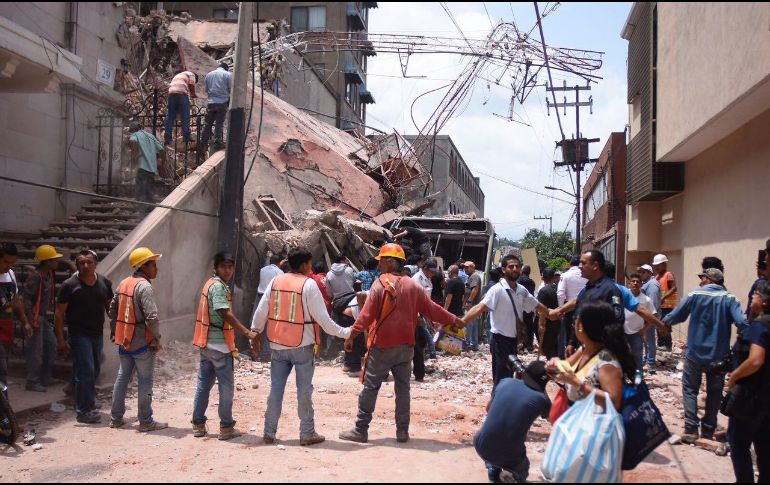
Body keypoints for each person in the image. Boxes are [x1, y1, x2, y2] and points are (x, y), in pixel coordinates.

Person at [338, 244, 463, 444]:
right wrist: (453, 319)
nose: (379, 264)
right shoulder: (413, 286)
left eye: (381, 260)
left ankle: (360, 429)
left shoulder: (380, 284)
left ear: (389, 261)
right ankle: (402, 431)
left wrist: (351, 335)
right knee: (403, 389)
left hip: (381, 346)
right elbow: (432, 309)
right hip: (406, 347)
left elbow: (366, 316)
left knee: (371, 387)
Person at [251, 247, 352, 446]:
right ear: (305, 264)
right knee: (304, 390)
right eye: (310, 264)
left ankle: (269, 432)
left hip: (277, 344)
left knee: (276, 389)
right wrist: (347, 332)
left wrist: (255, 332)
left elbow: (261, 311)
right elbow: (324, 320)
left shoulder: (276, 281)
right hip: (302, 346)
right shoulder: (309, 284)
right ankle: (307, 433)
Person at [663, 267, 747, 443]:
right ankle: (708, 431)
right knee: (714, 393)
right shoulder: (730, 298)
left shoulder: (695, 294)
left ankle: (691, 429)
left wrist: (664, 323)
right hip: (719, 356)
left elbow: (677, 315)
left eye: (703, 278)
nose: (700, 281)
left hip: (695, 353)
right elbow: (741, 322)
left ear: (709, 279)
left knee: (689, 390)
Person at [192, 252, 259, 440]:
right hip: (220, 346)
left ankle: (198, 424)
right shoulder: (219, 287)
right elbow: (224, 312)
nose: (227, 270)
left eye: (230, 267)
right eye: (223, 267)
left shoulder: (210, 284)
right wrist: (247, 332)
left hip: (206, 343)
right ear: (215, 268)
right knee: (226, 388)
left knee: (203, 386)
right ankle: (226, 427)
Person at [461, 255, 550, 388]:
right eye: (511, 266)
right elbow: (480, 307)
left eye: (517, 266)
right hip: (500, 341)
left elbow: (536, 305)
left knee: (509, 378)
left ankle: (504, 399)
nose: (515, 269)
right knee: (501, 380)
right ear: (503, 269)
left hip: (514, 341)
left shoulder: (522, 290)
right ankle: (497, 400)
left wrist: (550, 313)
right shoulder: (497, 290)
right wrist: (462, 322)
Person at [109, 247, 167, 431]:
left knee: (122, 377)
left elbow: (112, 309)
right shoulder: (144, 286)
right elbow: (152, 317)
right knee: (145, 381)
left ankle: (116, 418)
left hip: (124, 339)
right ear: (143, 266)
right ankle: (145, 421)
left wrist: (114, 331)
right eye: (153, 265)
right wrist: (156, 339)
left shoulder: (124, 283)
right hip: (142, 342)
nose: (156, 268)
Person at [55, 250, 114, 424]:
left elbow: (110, 308)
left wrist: (115, 327)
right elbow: (59, 314)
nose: (85, 266)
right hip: (79, 334)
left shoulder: (104, 282)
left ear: (96, 264)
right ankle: (84, 410)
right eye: (81, 263)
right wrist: (61, 340)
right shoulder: (69, 285)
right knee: (86, 370)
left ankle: (78, 392)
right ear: (77, 265)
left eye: (89, 262)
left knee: (93, 368)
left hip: (97, 333)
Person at [547, 300, 636, 413]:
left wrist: (576, 383)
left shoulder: (606, 360)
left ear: (580, 326)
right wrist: (555, 364)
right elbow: (566, 366)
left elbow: (614, 402)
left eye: (575, 320)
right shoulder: (584, 349)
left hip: (596, 421)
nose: (573, 324)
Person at [474, 361, 552, 483]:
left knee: (495, 440)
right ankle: (514, 477)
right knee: (523, 467)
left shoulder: (505, 382)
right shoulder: (542, 399)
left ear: (525, 373)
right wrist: (543, 390)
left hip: (480, 445)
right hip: (508, 455)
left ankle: (493, 470)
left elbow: (488, 409)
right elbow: (552, 418)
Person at [725, 281, 770, 483]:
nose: (752, 297)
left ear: (765, 302)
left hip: (750, 398)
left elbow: (755, 360)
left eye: (756, 294)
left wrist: (734, 377)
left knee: (738, 445)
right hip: (766, 399)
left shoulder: (760, 325)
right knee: (765, 449)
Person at [23, 245, 62, 392]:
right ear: (47, 261)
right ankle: (32, 381)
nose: (57, 262)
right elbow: (27, 300)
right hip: (36, 317)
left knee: (51, 345)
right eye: (54, 259)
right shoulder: (36, 277)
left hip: (43, 317)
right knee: (35, 350)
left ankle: (45, 377)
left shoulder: (48, 274)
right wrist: (31, 320)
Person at [1, 243, 31, 398]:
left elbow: (17, 300)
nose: (9, 266)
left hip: (6, 327)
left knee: (4, 366)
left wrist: (24, 321)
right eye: (6, 262)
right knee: (2, 368)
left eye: (12, 263)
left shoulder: (11, 274)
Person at [411, 258, 439, 379]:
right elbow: (414, 300)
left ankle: (420, 368)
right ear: (425, 268)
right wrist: (419, 317)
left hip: (422, 314)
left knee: (421, 343)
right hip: (416, 315)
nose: (432, 274)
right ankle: (419, 371)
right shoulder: (417, 279)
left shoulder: (427, 279)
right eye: (431, 271)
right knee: (417, 343)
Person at [624, 273, 657, 371]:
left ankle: (638, 379)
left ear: (641, 285)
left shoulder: (646, 300)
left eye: (638, 282)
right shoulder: (623, 295)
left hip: (637, 333)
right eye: (633, 281)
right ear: (629, 283)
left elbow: (654, 316)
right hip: (622, 332)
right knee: (621, 357)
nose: (635, 283)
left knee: (637, 359)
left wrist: (645, 330)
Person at [128, 121, 164, 210]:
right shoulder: (151, 136)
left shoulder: (135, 135)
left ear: (133, 130)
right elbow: (162, 150)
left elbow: (133, 141)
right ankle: (150, 212)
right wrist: (162, 163)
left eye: (131, 131)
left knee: (141, 193)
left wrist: (134, 156)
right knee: (149, 191)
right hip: (152, 170)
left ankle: (142, 212)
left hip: (142, 168)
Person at [556, 255, 587, 358]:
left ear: (570, 264)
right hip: (586, 309)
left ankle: (571, 359)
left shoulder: (565, 275)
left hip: (569, 310)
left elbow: (560, 294)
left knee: (570, 338)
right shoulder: (586, 275)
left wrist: (561, 309)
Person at [254, 254, 284, 359]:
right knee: (270, 324)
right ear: (280, 262)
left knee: (258, 324)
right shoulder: (280, 272)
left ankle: (255, 351)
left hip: (259, 297)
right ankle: (267, 352)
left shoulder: (262, 270)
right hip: (272, 298)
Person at [200, 62, 232, 152]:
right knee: (219, 123)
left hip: (211, 102)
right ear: (226, 68)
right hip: (222, 102)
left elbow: (206, 90)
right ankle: (217, 142)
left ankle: (203, 143)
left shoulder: (209, 75)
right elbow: (230, 89)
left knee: (207, 124)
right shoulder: (228, 74)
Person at [164, 68, 197, 146]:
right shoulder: (192, 75)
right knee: (185, 115)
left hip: (171, 93)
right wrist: (193, 94)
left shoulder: (180, 75)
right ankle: (186, 136)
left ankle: (167, 137)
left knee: (170, 115)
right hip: (181, 93)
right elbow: (191, 86)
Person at [639, 263, 662, 372]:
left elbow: (654, 303)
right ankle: (646, 359)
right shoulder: (647, 283)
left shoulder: (652, 285)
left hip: (650, 316)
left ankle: (650, 362)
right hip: (646, 315)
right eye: (640, 272)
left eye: (643, 272)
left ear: (649, 273)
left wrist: (651, 318)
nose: (641, 274)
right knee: (646, 339)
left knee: (650, 339)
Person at [653, 253, 678, 351]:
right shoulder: (657, 277)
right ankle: (660, 344)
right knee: (658, 325)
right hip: (659, 306)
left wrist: (664, 297)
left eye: (658, 265)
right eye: (655, 265)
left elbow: (674, 288)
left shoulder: (668, 275)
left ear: (664, 264)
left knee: (665, 325)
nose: (656, 267)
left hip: (667, 305)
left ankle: (668, 346)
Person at [537, 268, 561, 359]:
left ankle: (553, 365)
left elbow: (541, 310)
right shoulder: (558, 289)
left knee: (549, 348)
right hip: (558, 321)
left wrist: (541, 324)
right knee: (557, 347)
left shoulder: (543, 291)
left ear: (543, 278)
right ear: (553, 277)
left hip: (548, 323)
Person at [463, 261, 482, 352]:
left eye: (467, 267)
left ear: (473, 267)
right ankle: (474, 344)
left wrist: (469, 301)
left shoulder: (474, 276)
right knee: (473, 324)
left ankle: (468, 344)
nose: (465, 269)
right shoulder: (472, 276)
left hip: (472, 304)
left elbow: (475, 289)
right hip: (473, 304)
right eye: (464, 267)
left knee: (468, 324)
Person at [517, 265, 537, 352]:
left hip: (520, 307)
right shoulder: (532, 282)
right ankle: (529, 345)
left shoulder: (518, 281)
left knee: (520, 326)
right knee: (529, 326)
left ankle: (520, 345)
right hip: (529, 307)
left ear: (522, 271)